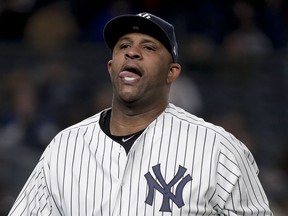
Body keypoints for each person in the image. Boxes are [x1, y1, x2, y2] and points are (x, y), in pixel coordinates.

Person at [8, 12, 273, 215]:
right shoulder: (65, 147)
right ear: (111, 67)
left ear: (172, 73)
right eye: (124, 46)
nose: (132, 52)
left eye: (148, 47)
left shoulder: (219, 149)